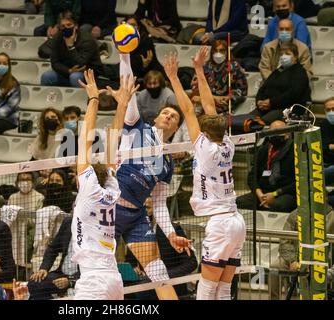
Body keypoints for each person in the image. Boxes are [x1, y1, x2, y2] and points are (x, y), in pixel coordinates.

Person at [164, 46, 246, 300]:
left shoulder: (205, 149)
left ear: (204, 132)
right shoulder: (227, 144)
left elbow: (189, 110)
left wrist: (174, 77)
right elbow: (210, 108)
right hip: (236, 221)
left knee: (208, 287)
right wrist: (199, 69)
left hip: (220, 223)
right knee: (223, 287)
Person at [114, 52, 191, 300]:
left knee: (159, 273)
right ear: (156, 117)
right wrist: (124, 55)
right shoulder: (137, 128)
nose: (168, 117)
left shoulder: (167, 164)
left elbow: (158, 205)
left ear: (176, 128)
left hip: (135, 217)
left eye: (174, 117)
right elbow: (128, 91)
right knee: (100, 273)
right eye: (165, 113)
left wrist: (170, 234)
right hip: (109, 209)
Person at [70, 69, 133, 300]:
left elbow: (85, 137)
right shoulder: (111, 189)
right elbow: (113, 143)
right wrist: (122, 106)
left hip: (94, 280)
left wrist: (93, 98)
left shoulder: (89, 188)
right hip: (113, 278)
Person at [125, 197, 198, 299]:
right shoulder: (136, 232)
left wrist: (161, 275)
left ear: (157, 210)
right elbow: (130, 260)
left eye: (147, 208)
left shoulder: (173, 230)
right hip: (145, 285)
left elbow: (192, 263)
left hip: (173, 283)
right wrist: (134, 267)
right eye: (141, 208)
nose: (144, 212)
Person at [236, 120, 297, 212]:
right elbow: (252, 176)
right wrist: (259, 193)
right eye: (273, 132)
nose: (275, 135)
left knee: (278, 205)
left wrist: (275, 194)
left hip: (285, 193)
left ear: (287, 134)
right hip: (263, 193)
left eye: (279, 132)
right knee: (238, 202)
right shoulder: (263, 150)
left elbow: (298, 182)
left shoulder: (295, 149)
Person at [41, 11, 104, 88]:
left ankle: (81, 99)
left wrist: (71, 46)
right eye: (63, 26)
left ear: (76, 26)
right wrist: (69, 71)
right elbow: (54, 62)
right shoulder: (58, 38)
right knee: (46, 77)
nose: (66, 28)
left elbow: (81, 64)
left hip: (88, 74)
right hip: (68, 72)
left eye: (69, 25)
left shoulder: (87, 40)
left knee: (75, 77)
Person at [253, 42, 311, 125]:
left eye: (287, 54)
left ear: (295, 57)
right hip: (267, 108)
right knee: (246, 121)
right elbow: (263, 88)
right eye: (281, 54)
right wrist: (259, 101)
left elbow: (293, 94)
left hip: (287, 110)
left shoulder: (300, 72)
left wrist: (271, 102)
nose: (283, 56)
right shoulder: (278, 71)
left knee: (259, 123)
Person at [190, 40, 248, 114]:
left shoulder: (235, 68)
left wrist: (225, 98)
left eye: (222, 51)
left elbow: (242, 91)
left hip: (224, 103)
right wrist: (214, 98)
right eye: (216, 50)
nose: (218, 54)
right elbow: (195, 90)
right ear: (212, 52)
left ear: (227, 52)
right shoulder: (204, 67)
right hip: (204, 101)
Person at [28, 217, 78, 299]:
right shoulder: (68, 222)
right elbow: (53, 248)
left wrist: (70, 281)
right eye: (74, 206)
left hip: (81, 276)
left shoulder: (95, 228)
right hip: (62, 273)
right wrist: (44, 268)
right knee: (34, 283)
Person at [6, 172, 44, 273]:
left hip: (30, 231)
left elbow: (37, 221)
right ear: (17, 182)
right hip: (14, 230)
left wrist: (23, 219)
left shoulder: (39, 197)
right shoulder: (12, 197)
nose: (25, 182)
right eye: (22, 179)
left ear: (32, 182)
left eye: (27, 179)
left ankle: (23, 270)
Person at [320, 97, 334, 185]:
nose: (331, 112)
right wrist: (330, 147)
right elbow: (321, 146)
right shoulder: (323, 124)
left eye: (333, 109)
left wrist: (329, 146)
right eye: (328, 110)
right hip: (324, 163)